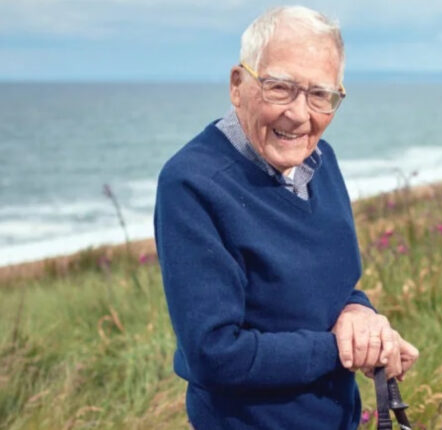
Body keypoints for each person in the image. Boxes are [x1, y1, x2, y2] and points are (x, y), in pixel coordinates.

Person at [154, 6, 419, 430]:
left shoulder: (320, 160)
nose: (299, 114)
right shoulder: (192, 184)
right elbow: (214, 354)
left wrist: (360, 316)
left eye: (320, 95)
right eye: (280, 88)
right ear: (238, 85)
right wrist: (341, 351)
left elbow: (331, 288)